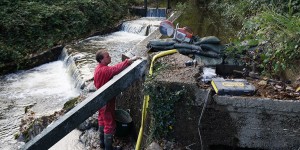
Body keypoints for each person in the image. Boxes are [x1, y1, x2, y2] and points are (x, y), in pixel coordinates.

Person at [94, 50, 140, 150]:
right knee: (109, 124)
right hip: (106, 100)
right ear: (101, 60)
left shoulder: (98, 69)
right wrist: (129, 61)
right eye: (107, 56)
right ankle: (108, 148)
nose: (110, 57)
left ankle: (102, 144)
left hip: (99, 99)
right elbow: (115, 69)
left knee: (102, 120)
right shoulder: (105, 70)